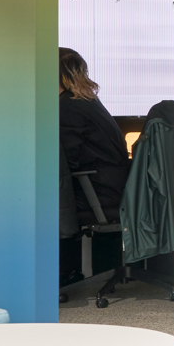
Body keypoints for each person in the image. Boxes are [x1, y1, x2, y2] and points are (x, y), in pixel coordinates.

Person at [58, 47, 130, 219]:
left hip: (95, 192)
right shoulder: (87, 101)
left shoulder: (68, 106)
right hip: (109, 187)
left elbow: (64, 162)